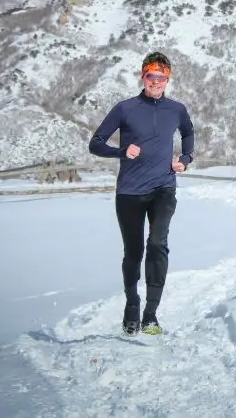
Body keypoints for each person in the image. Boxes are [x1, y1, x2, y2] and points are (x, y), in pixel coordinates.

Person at [88, 51, 195, 335]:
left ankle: (151, 314)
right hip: (129, 193)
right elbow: (95, 143)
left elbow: (188, 133)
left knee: (158, 243)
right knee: (133, 252)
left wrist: (185, 159)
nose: (156, 82)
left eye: (162, 77)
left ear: (167, 79)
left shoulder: (177, 109)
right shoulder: (125, 108)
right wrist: (122, 151)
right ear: (143, 76)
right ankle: (132, 305)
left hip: (164, 188)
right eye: (151, 76)